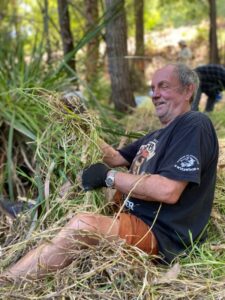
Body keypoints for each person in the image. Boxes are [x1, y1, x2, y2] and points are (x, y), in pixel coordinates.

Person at [0, 63, 218, 284]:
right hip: (131, 213)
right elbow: (115, 158)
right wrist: (80, 123)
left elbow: (168, 190)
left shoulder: (194, 124)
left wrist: (109, 177)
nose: (155, 94)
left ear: (188, 90)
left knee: (83, 225)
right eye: (152, 88)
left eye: (163, 86)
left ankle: (7, 283)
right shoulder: (157, 135)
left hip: (159, 233)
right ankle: (33, 212)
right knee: (74, 185)